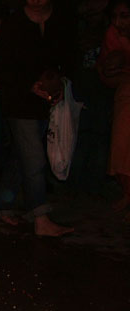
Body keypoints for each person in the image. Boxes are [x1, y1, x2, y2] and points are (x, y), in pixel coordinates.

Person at [0, 0, 75, 237]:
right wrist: (30, 85)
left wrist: (59, 83)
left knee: (23, 155)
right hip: (19, 100)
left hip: (49, 99)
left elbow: (70, 55)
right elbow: (3, 66)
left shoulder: (61, 20)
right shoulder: (14, 23)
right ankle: (41, 217)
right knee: (34, 158)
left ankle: (4, 203)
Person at [98, 0, 130, 218]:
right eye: (115, 16)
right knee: (121, 149)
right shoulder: (112, 34)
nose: (119, 22)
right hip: (125, 95)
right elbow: (107, 72)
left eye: (125, 16)